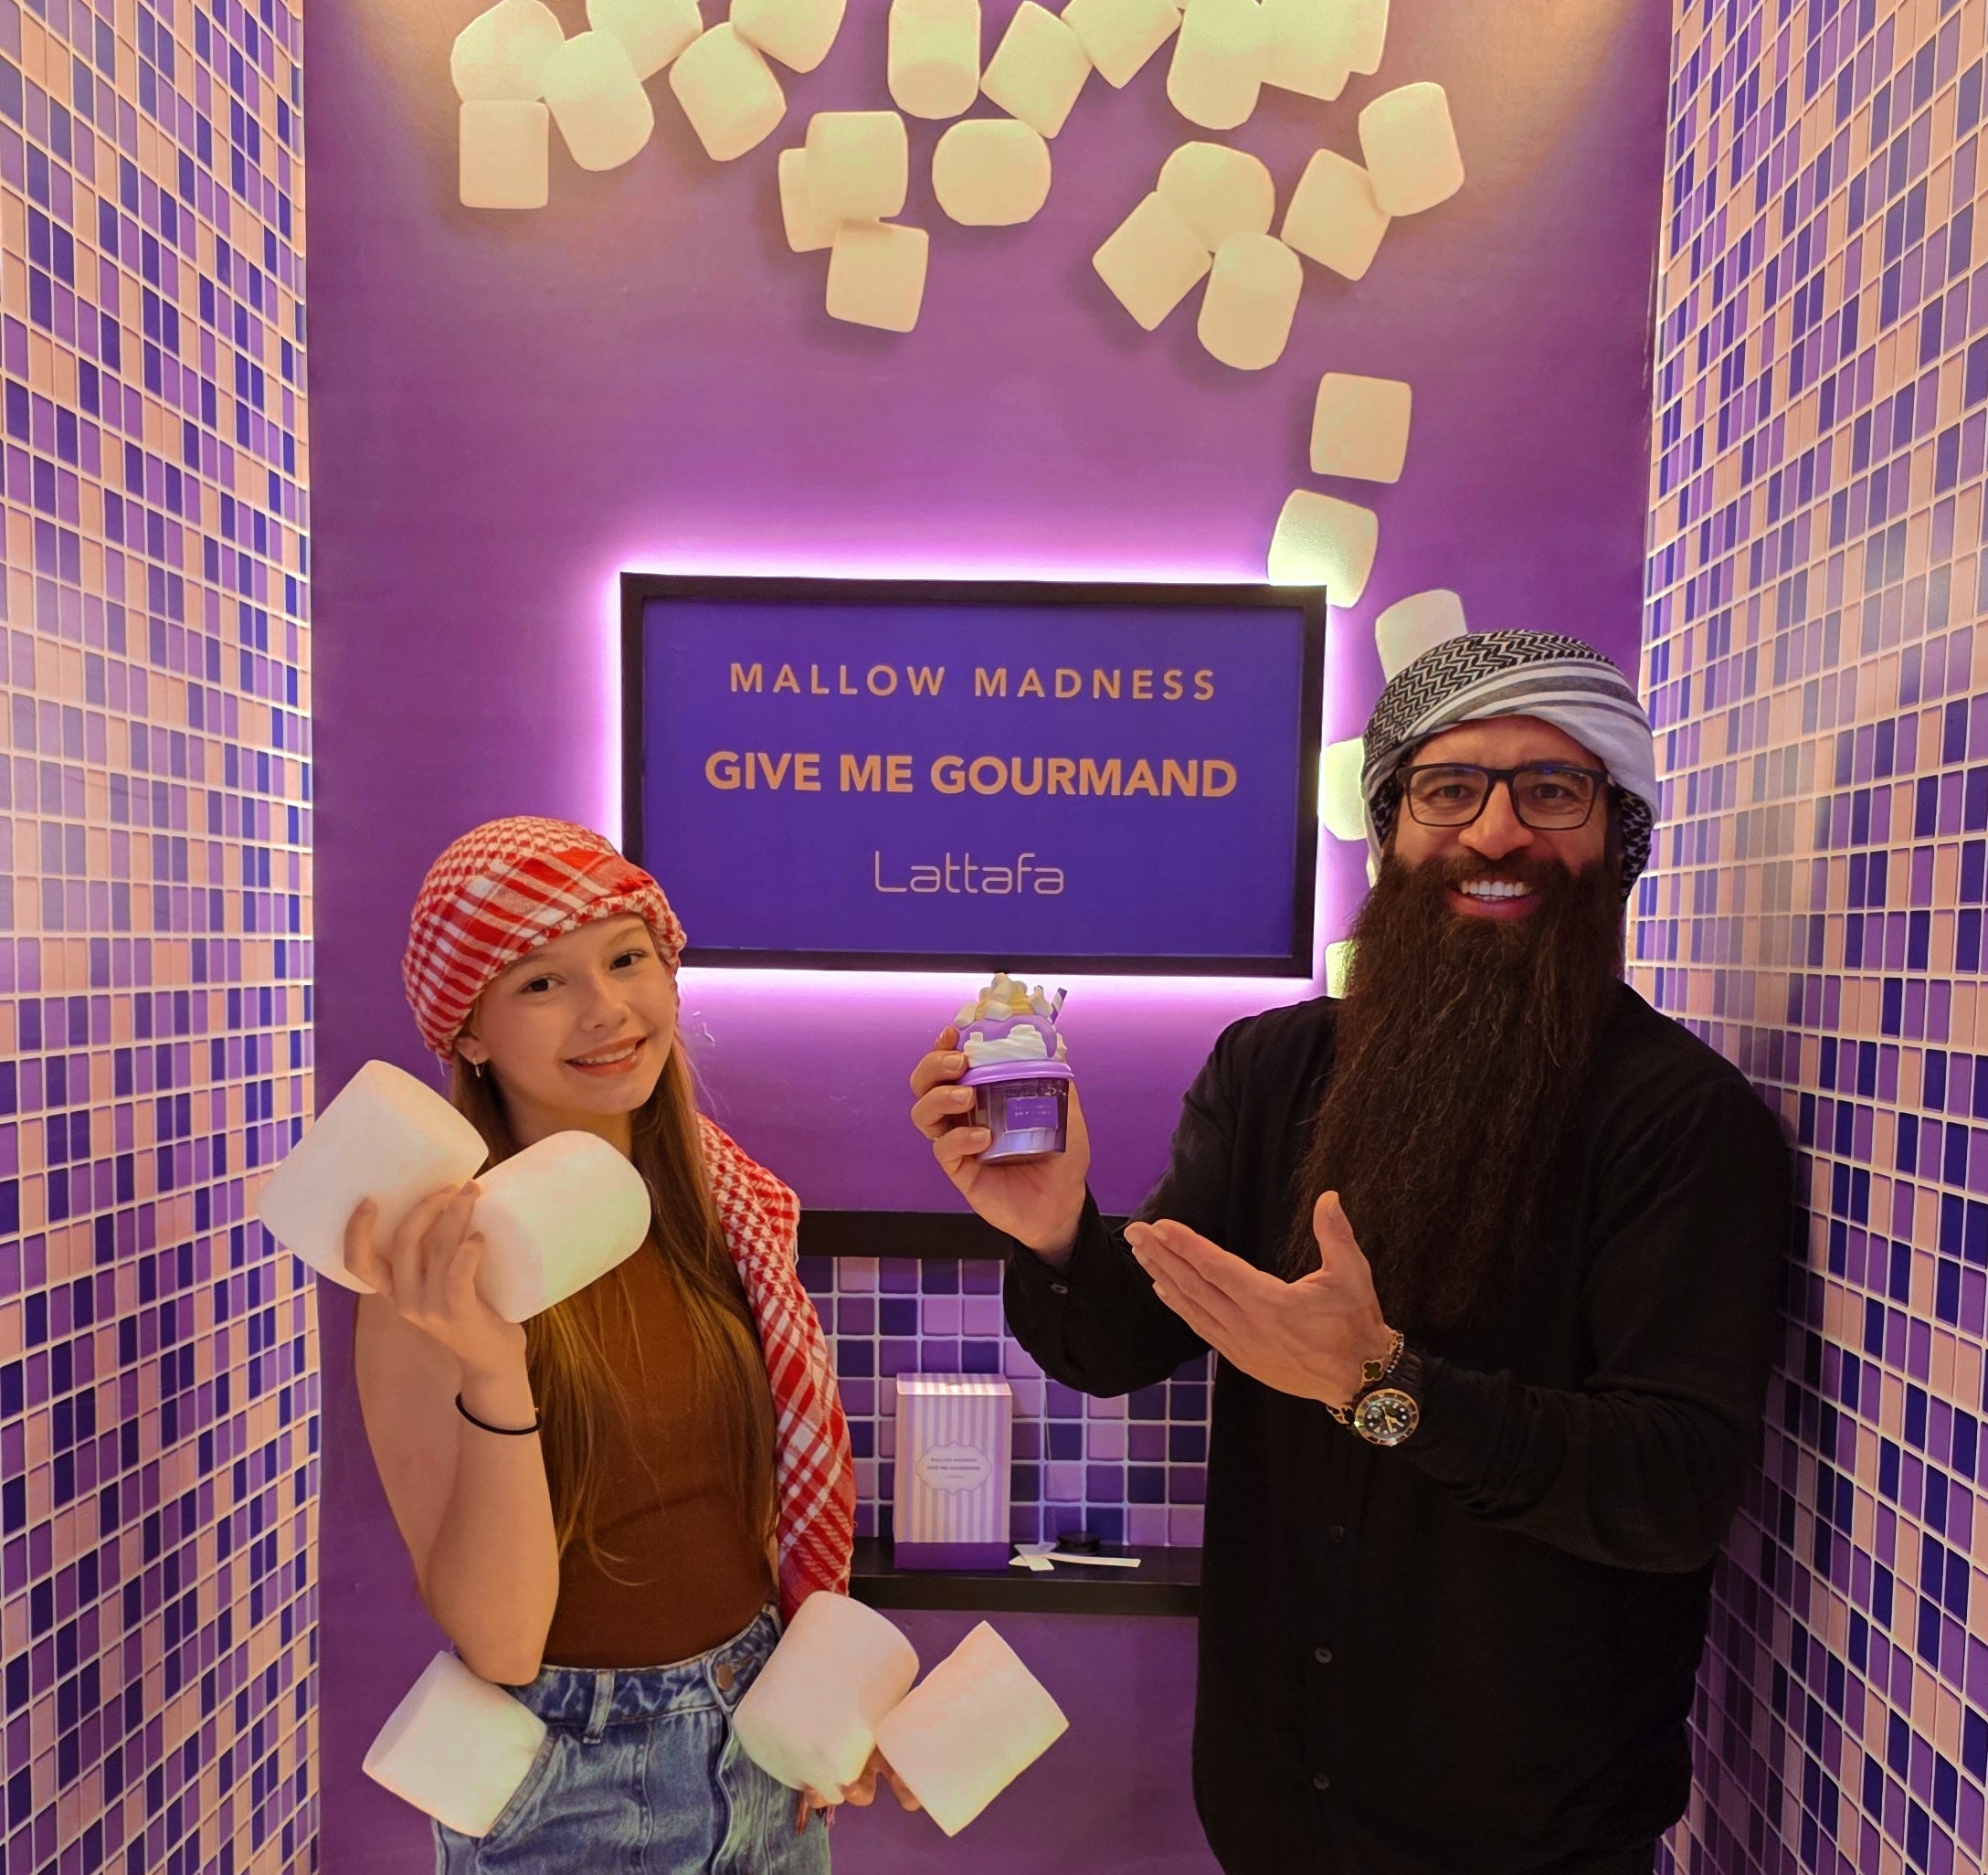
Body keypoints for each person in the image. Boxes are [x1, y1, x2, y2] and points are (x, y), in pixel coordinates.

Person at [910, 631, 1791, 1875]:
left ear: (1618, 833)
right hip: (1273, 1803)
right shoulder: (1272, 1069)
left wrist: (1382, 1387)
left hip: (1528, 1836)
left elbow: (1671, 1488)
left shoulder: (1680, 1120)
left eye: (1552, 788)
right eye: (1449, 788)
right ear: (1391, 829)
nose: (1495, 831)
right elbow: (1119, 1343)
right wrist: (1053, 1225)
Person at [351, 816, 912, 1872]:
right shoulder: (438, 1267)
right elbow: (501, 1641)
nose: (606, 1008)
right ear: (468, 1032)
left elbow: (748, 1519)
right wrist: (494, 1365)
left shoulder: (722, 1206)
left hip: (764, 1751)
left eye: (625, 958)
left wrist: (830, 1699)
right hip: (571, 1787)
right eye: (541, 981)